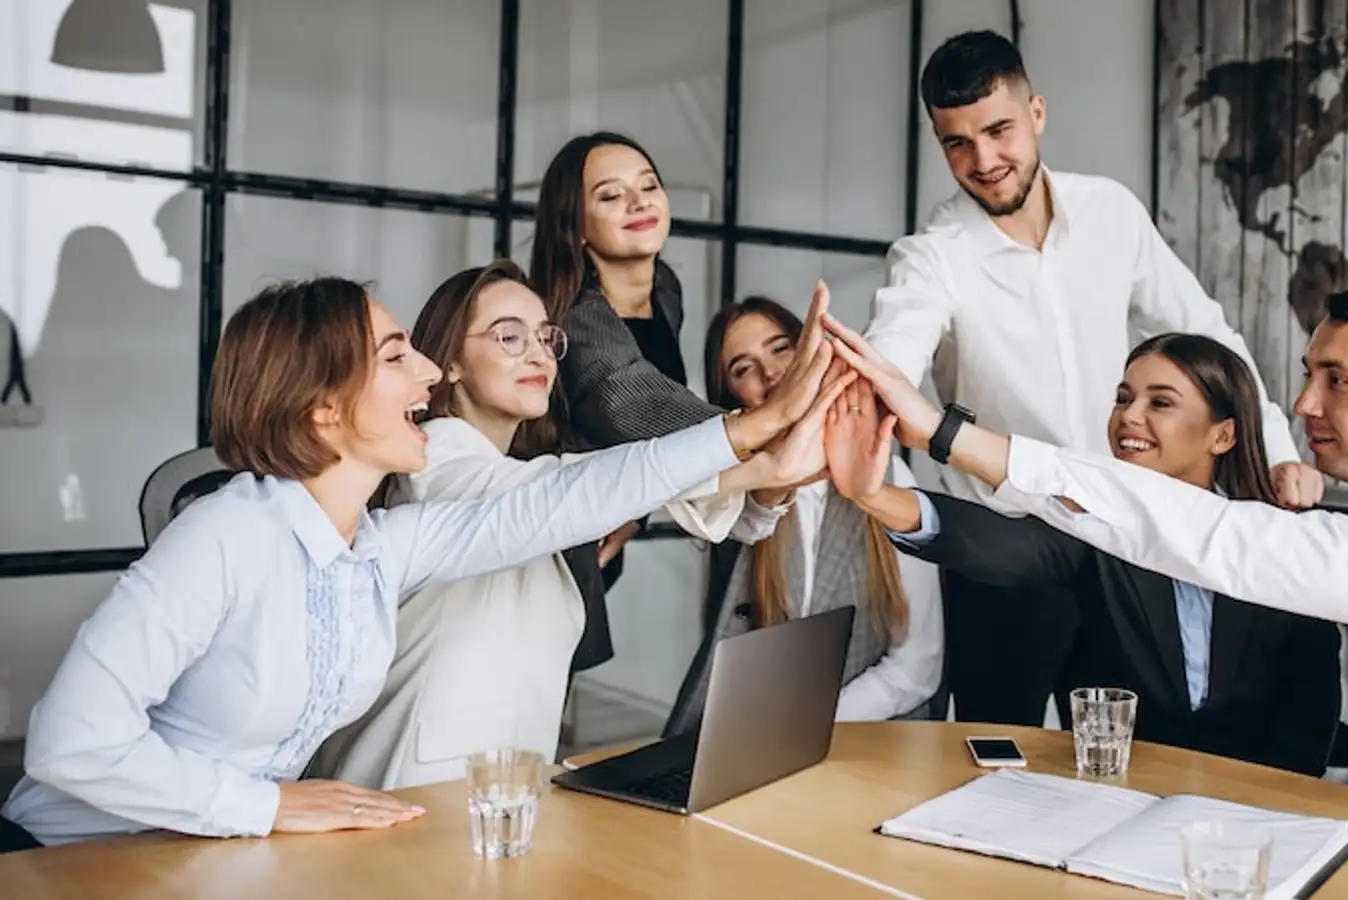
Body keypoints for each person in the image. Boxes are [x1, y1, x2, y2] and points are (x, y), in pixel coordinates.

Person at [0, 275, 839, 848]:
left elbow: (554, 504)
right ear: (324, 405)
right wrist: (268, 805)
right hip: (69, 859)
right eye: (398, 355)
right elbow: (70, 744)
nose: (431, 373)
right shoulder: (221, 536)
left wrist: (744, 435)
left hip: (210, 854)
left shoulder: (381, 548)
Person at [823, 281, 1348, 848]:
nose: (1302, 404)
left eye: (1339, 382)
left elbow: (1215, 537)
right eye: (1309, 373)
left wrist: (942, 433)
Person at [861, 30, 1322, 726]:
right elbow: (890, 354)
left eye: (999, 130)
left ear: (1037, 112)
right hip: (1003, 551)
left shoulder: (1112, 212)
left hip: (1117, 545)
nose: (983, 161)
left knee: (1128, 755)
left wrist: (1279, 451)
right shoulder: (931, 258)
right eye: (957, 143)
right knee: (995, 756)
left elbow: (1209, 334)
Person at [306, 265, 834, 790]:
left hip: (498, 802)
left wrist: (769, 474)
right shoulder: (437, 462)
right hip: (403, 796)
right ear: (449, 363)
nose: (537, 353)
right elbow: (570, 491)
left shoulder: (531, 477)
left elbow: (593, 492)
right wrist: (756, 433)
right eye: (509, 336)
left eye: (544, 336)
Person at [834, 333, 1341, 775]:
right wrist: (874, 495)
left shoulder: (1280, 544)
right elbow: (1004, 546)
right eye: (1123, 399)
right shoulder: (1098, 526)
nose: (1129, 418)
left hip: (1258, 816)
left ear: (1222, 434)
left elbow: (1306, 722)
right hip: (1119, 800)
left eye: (1159, 403)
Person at [528, 131, 829, 652]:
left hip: (606, 526)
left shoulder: (664, 290)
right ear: (575, 228)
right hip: (549, 540)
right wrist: (770, 421)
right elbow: (631, 401)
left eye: (648, 185)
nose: (639, 202)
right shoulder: (577, 317)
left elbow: (636, 430)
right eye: (610, 195)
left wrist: (638, 509)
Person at [665, 298, 943, 732]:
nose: (771, 374)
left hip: (873, 736)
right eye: (743, 369)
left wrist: (807, 722)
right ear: (731, 399)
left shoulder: (890, 479)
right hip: (758, 732)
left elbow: (916, 668)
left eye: (780, 349)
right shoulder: (740, 500)